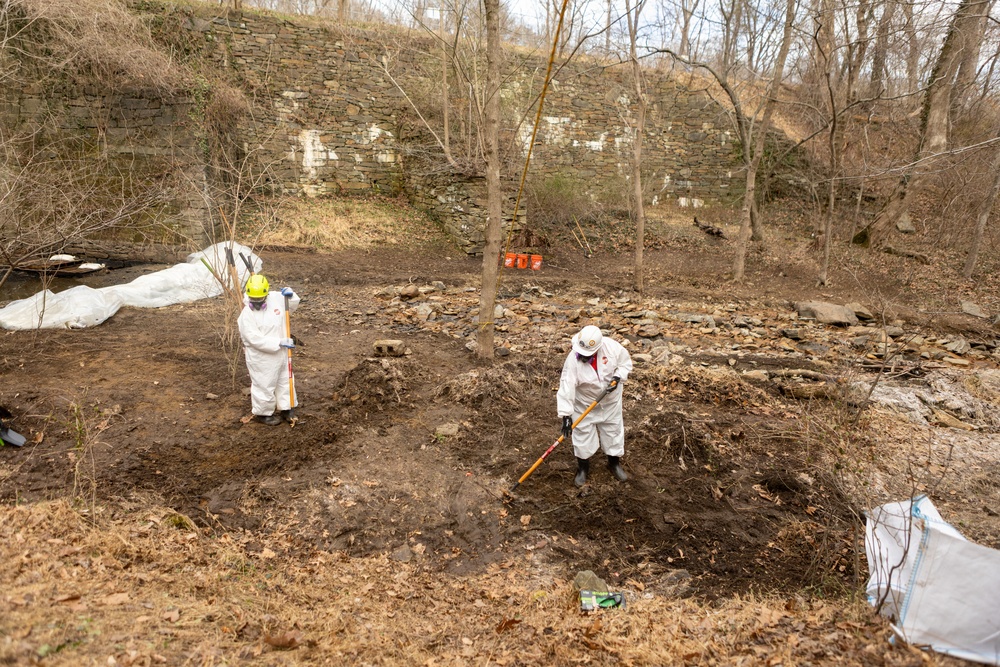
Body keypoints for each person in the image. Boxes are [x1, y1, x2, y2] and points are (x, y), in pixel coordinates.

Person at [557, 325, 633, 487]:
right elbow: (566, 386)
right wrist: (566, 415)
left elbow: (625, 364)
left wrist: (618, 378)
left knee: (613, 431)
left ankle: (614, 464)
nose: (583, 357)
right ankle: (583, 469)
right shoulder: (572, 360)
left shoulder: (612, 347)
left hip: (610, 400)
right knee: (582, 434)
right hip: (584, 403)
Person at [237, 274, 300, 426]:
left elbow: (291, 305)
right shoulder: (246, 315)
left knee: (285, 379)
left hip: (282, 352)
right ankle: (263, 413)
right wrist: (279, 342)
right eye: (254, 300)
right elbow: (253, 339)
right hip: (261, 356)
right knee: (264, 383)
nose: (257, 303)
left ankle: (287, 407)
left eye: (260, 299)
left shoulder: (275, 298)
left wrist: (291, 296)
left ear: (266, 294)